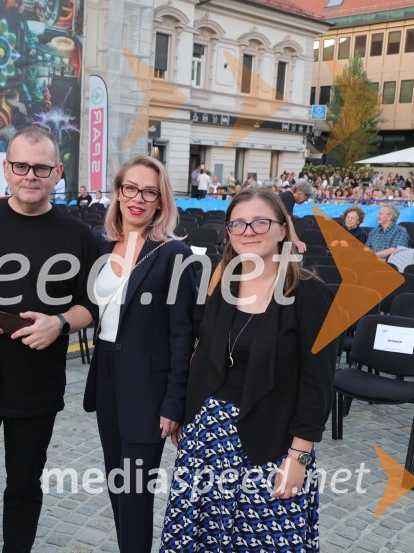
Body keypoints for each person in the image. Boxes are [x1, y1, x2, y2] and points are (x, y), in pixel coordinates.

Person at [0, 126, 99, 552]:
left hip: (36, 386)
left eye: (41, 167)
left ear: (57, 172)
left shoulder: (78, 236)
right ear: (6, 169)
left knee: (24, 488)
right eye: (21, 166)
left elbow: (94, 304)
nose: (31, 175)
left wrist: (59, 323)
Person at [160, 188, 335, 552]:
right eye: (237, 223)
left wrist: (298, 458)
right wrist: (185, 412)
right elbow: (201, 352)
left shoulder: (308, 294)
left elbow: (317, 385)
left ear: (282, 230)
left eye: (260, 221)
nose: (248, 230)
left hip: (270, 442)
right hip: (207, 441)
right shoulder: (223, 284)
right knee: (200, 539)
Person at [85, 155, 196, 552]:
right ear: (117, 192)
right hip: (107, 375)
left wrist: (174, 402)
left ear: (160, 200)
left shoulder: (173, 255)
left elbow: (183, 336)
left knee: (135, 490)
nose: (138, 198)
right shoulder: (98, 245)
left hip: (149, 387)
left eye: (149, 191)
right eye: (130, 188)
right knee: (117, 482)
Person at [278, 182, 314, 253]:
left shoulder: (287, 196)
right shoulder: (289, 198)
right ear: (299, 194)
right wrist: (297, 241)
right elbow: (288, 221)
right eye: (306, 198)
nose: (306, 201)